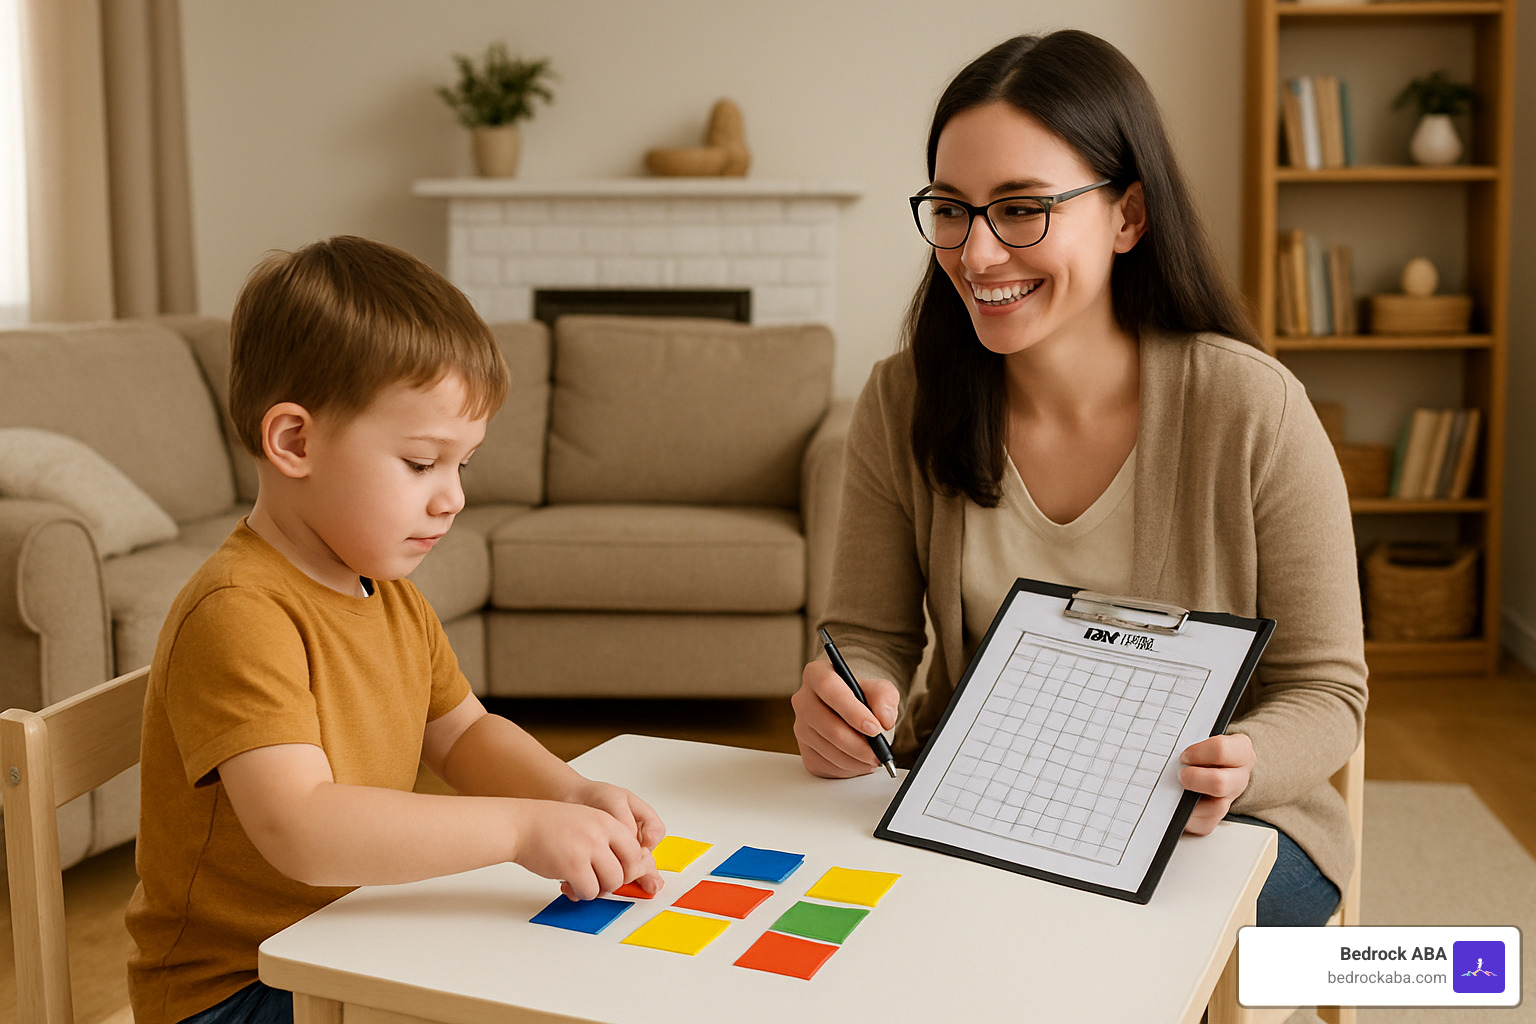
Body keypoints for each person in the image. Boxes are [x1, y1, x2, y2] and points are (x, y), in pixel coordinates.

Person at [792, 31, 1366, 927]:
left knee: (1067, 957)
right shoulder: (901, 398)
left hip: (1217, 828)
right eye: (952, 209)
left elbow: (1328, 689)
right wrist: (852, 696)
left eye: (1022, 209)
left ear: (1128, 216)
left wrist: (1244, 757)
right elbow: (866, 632)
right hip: (986, 803)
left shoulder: (1255, 409)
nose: (976, 256)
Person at [126, 236, 666, 1024]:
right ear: (294, 442)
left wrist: (569, 792)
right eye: (421, 464)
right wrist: (520, 827)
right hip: (238, 989)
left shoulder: (387, 592)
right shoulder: (239, 610)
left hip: (351, 942)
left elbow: (463, 734)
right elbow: (303, 826)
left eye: (463, 466)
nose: (452, 498)